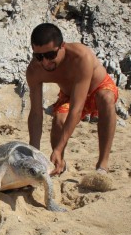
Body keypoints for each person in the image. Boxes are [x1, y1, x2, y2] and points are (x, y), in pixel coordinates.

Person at [26, 23, 118, 176]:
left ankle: (102, 166)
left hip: (98, 89)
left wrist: (59, 147)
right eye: (39, 56)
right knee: (58, 119)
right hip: (70, 94)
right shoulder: (34, 70)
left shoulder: (81, 57)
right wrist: (33, 153)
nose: (45, 62)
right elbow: (36, 113)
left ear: (62, 46)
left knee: (106, 98)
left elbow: (77, 109)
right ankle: (59, 164)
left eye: (50, 55)